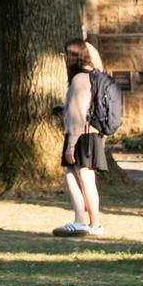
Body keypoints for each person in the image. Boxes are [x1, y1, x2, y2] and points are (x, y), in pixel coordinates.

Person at [56, 38, 109, 238]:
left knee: (83, 177)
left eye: (65, 54)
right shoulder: (96, 75)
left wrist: (71, 144)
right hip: (91, 133)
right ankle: (82, 220)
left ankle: (91, 223)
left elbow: (77, 114)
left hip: (81, 134)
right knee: (75, 175)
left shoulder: (79, 79)